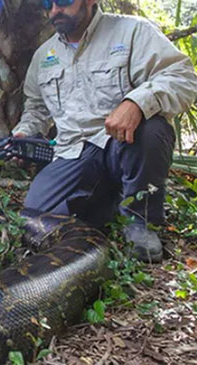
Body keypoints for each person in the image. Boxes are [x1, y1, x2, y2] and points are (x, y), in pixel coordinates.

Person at [12, 0, 197, 262]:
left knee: (152, 130)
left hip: (122, 143)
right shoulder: (44, 56)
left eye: (64, 1)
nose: (54, 10)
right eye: (47, 3)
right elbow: (37, 108)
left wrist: (136, 103)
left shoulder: (133, 32)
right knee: (36, 216)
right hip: (73, 152)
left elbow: (182, 76)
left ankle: (142, 221)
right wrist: (24, 133)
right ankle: (108, 204)